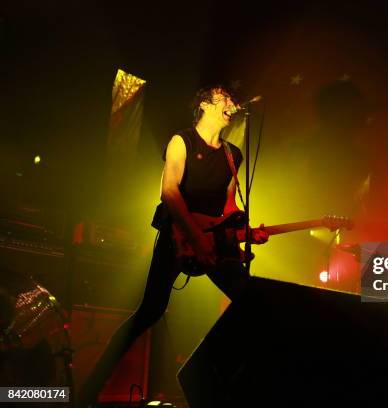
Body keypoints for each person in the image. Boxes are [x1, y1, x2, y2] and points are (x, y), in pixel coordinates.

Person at [77, 85, 268, 407]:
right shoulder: (181, 141)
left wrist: (246, 232)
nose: (233, 105)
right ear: (206, 104)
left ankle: (227, 387)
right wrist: (195, 237)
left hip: (214, 240)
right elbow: (169, 192)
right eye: (226, 99)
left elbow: (229, 206)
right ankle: (88, 391)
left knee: (252, 306)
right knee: (149, 312)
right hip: (178, 236)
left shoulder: (233, 154)